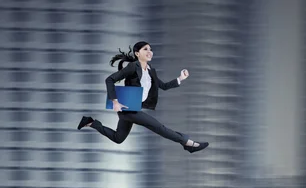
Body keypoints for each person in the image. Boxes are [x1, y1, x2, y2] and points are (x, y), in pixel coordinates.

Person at [77, 41, 209, 153]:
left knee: (118, 138)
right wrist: (115, 102)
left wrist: (180, 78)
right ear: (137, 53)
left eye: (150, 49)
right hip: (127, 108)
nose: (149, 51)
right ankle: (188, 143)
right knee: (159, 128)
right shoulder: (132, 67)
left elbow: (163, 86)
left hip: (133, 107)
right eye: (145, 49)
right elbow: (109, 80)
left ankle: (91, 122)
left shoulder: (150, 70)